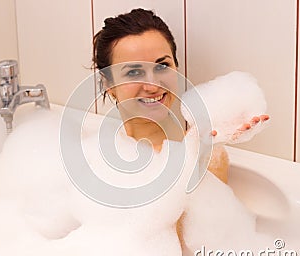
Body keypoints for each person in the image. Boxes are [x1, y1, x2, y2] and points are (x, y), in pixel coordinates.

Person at [93, 8, 268, 184]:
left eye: (162, 66)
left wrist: (198, 156)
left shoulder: (207, 155)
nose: (152, 86)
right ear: (109, 84)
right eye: (134, 72)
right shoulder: (93, 152)